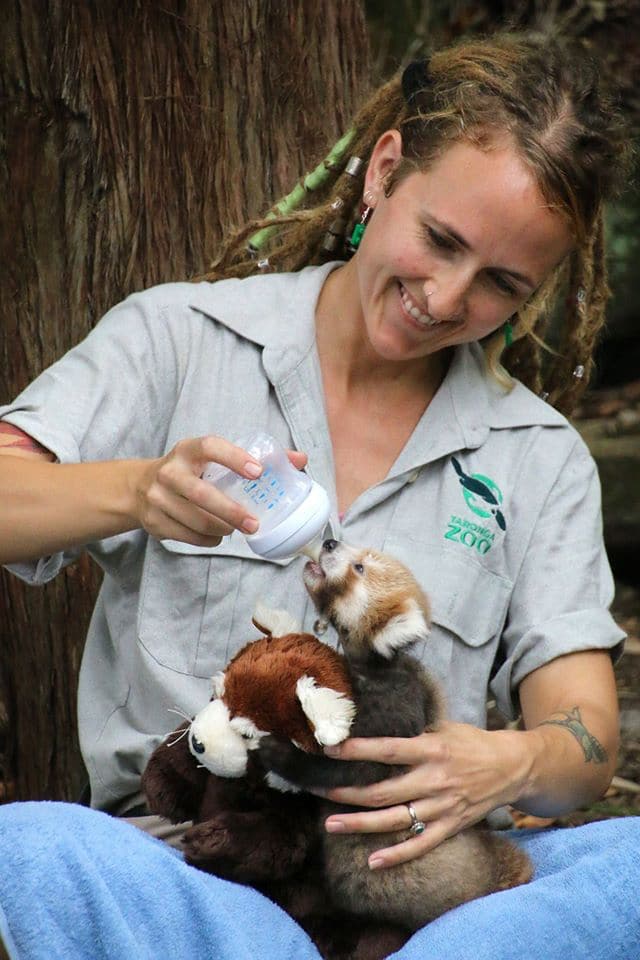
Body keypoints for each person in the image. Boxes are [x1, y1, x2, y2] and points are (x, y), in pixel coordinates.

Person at [0, 29, 638, 960]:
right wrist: (139, 490)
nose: (446, 298)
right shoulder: (181, 338)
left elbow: (586, 742)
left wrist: (511, 762)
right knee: (30, 852)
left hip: (422, 903)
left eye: (500, 282)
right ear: (384, 171)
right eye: (439, 239)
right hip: (202, 878)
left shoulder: (537, 457)